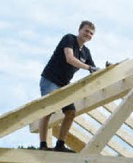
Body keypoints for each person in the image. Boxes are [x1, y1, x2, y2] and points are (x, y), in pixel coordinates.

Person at [39, 21, 98, 152]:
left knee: (71, 112)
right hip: (50, 80)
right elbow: (70, 59)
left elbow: (94, 70)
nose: (88, 34)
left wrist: (106, 69)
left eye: (91, 33)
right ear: (79, 30)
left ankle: (60, 144)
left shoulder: (86, 53)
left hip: (64, 84)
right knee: (48, 110)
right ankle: (43, 145)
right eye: (86, 31)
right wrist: (89, 67)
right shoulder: (69, 39)